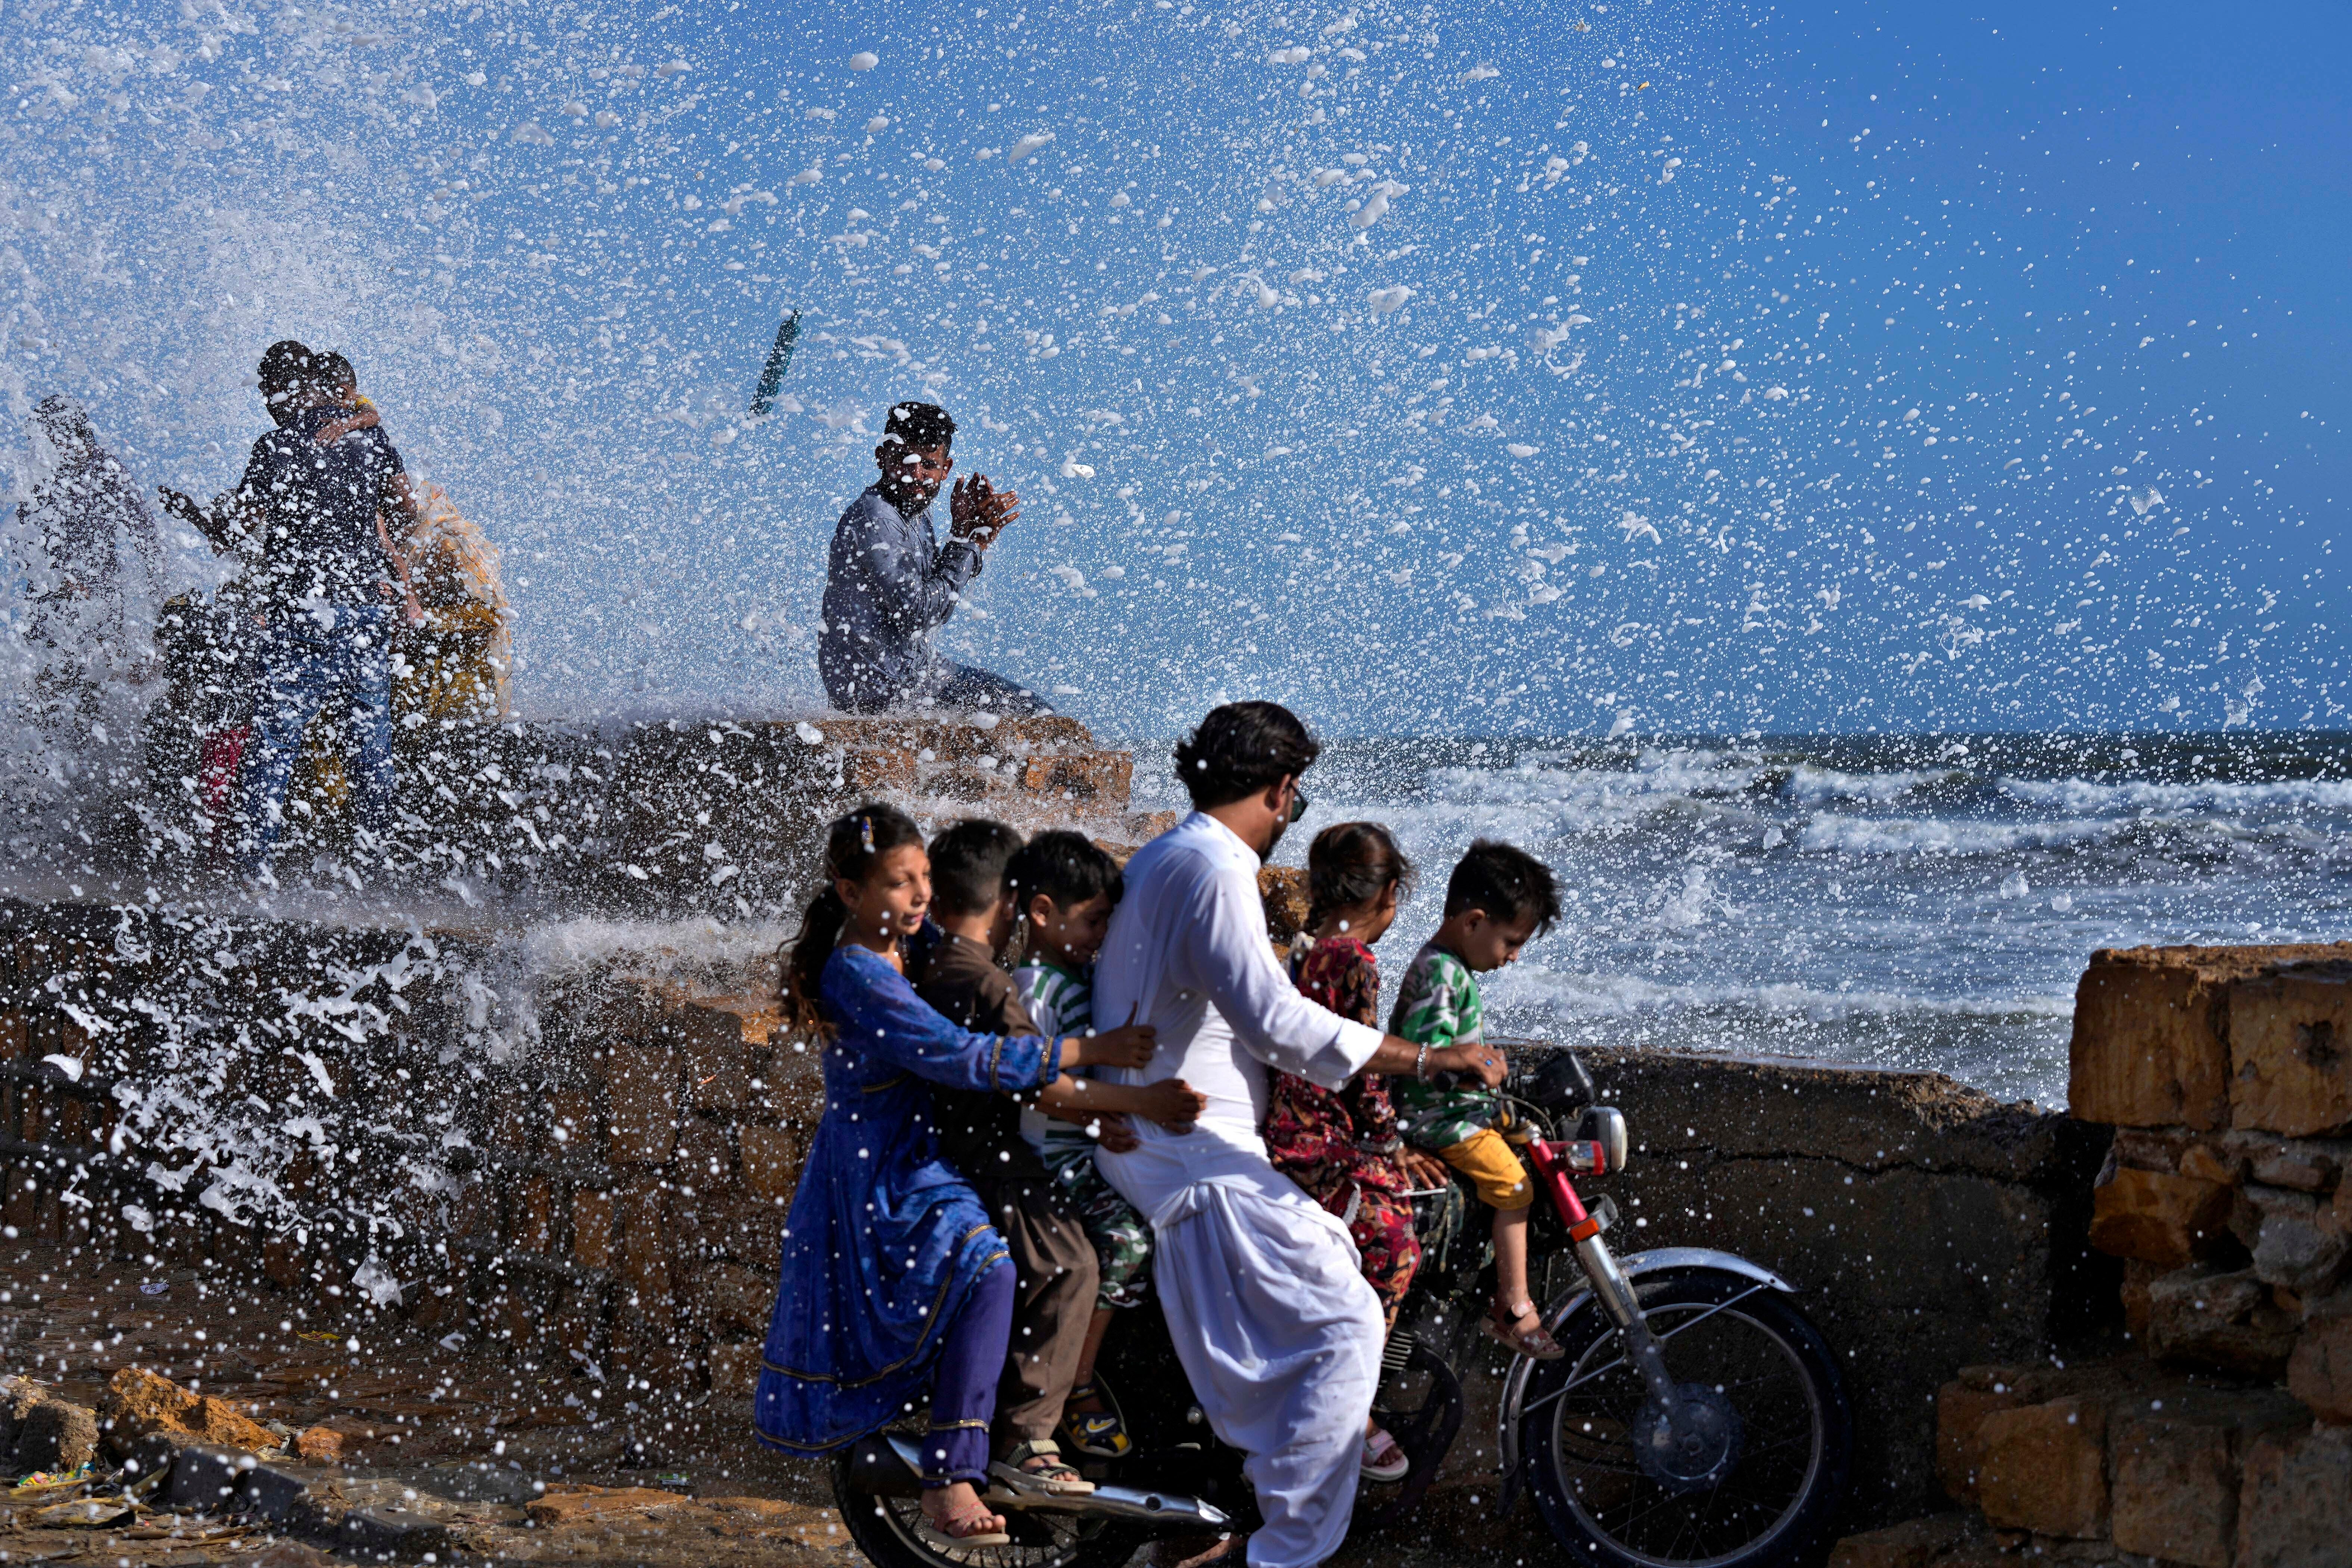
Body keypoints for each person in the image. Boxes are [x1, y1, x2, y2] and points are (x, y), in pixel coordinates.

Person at [1090, 702, 1507, 1568]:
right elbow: (1278, 1023)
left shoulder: (1175, 856)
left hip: (1180, 1140)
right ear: (1282, 793)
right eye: (1297, 800)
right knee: (1347, 1322)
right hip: (1195, 1160)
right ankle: (1279, 1552)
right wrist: (1430, 1061)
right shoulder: (1212, 867)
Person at [752, 805, 1167, 1543]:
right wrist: (1092, 1053)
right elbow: (962, 1057)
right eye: (899, 885)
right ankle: (950, 1480)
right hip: (881, 1166)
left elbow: (973, 936)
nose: (917, 899)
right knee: (989, 1269)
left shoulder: (909, 944)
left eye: (923, 881)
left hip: (921, 1148)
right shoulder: (856, 972)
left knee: (992, 1274)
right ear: (850, 894)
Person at [911, 819, 1108, 1499]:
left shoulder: (931, 969)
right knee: (1071, 1266)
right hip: (1001, 1162)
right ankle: (1029, 1437)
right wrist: (1132, 1104)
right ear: (1014, 907)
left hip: (965, 1155)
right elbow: (1036, 1074)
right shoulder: (991, 984)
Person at [1265, 821, 1449, 1483]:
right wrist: (1392, 1144)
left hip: (1288, 1128)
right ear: (1390, 894)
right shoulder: (1355, 961)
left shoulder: (1305, 951)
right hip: (1321, 1142)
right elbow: (1364, 1066)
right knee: (1397, 1243)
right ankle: (1352, 1402)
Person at [220, 342, 425, 878]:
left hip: (299, 615)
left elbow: (237, 529)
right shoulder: (370, 437)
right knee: (371, 741)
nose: (267, 405)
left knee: (274, 743)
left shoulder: (274, 448)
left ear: (282, 392)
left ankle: (252, 871)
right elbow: (408, 507)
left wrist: (212, 516)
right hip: (361, 607)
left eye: (268, 394)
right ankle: (374, 868)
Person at [1004, 830, 1168, 1461]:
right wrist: (1132, 1107)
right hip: (1053, 1166)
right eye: (1093, 920)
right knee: (1127, 1243)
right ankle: (1076, 1381)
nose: (1102, 935)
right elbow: (1042, 1088)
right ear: (1042, 914)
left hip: (1080, 1147)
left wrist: (1099, 1123)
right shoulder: (1036, 988)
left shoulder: (1070, 976)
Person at [1390, 839, 1567, 1361]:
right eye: (1511, 942)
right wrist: (1476, 1079)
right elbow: (1425, 1059)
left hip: (1452, 1113)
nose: (1513, 957)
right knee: (1514, 1188)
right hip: (1440, 1121)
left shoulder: (1449, 967)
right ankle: (1513, 1306)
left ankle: (1493, 1278)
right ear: (1473, 922)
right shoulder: (1441, 974)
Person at [817, 399, 1047, 715]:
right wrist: (969, 548)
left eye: (928, 464)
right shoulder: (878, 520)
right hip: (884, 691)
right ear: (882, 456)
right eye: (904, 460)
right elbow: (919, 613)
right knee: (1034, 715)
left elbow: (930, 589)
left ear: (946, 468)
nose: (915, 475)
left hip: (913, 677)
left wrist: (963, 535)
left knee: (1034, 712)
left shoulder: (914, 512)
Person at [16, 396, 165, 747]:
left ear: (66, 433)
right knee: (44, 685)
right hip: (49, 598)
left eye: (48, 436)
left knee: (89, 685)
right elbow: (23, 538)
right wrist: (56, 576)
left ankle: (80, 766)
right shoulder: (42, 474)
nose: (45, 444)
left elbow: (147, 539)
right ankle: (37, 769)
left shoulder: (106, 470)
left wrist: (161, 601)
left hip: (98, 600)